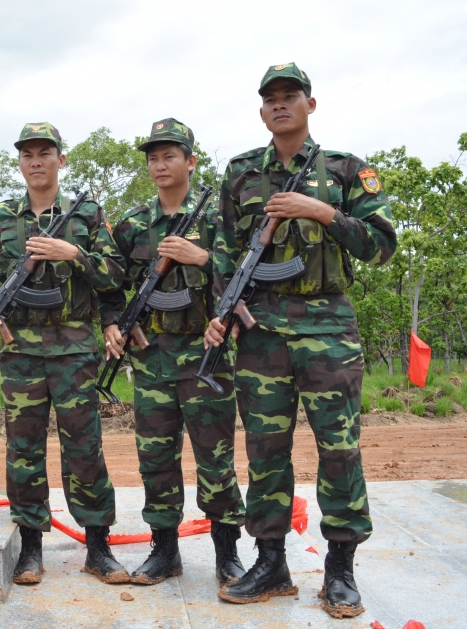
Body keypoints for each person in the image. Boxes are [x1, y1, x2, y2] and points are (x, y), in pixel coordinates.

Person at [206, 63, 396, 617]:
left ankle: (340, 569)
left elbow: (381, 246)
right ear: (261, 110)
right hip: (260, 330)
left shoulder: (345, 170)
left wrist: (322, 211)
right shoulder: (241, 173)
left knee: (339, 449)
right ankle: (271, 563)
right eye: (271, 99)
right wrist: (229, 302)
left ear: (311, 104)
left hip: (328, 326)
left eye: (291, 96)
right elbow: (222, 249)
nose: (280, 105)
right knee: (266, 453)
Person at [0, 122, 130, 586]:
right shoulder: (0, 216)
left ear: (60, 160)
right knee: (23, 450)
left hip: (74, 351)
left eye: (45, 153)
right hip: (21, 353)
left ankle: (97, 546)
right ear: (21, 162)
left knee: (84, 447)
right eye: (27, 154)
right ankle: (31, 547)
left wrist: (75, 254)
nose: (36, 161)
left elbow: (115, 278)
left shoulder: (86, 213)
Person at [102, 118, 247, 587]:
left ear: (191, 160)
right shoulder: (133, 224)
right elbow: (107, 281)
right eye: (153, 158)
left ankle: (228, 555)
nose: (160, 165)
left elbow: (249, 272)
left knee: (216, 458)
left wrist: (203, 257)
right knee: (156, 460)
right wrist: (115, 323)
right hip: (152, 362)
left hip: (208, 358)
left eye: (170, 155)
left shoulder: (216, 219)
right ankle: (164, 552)